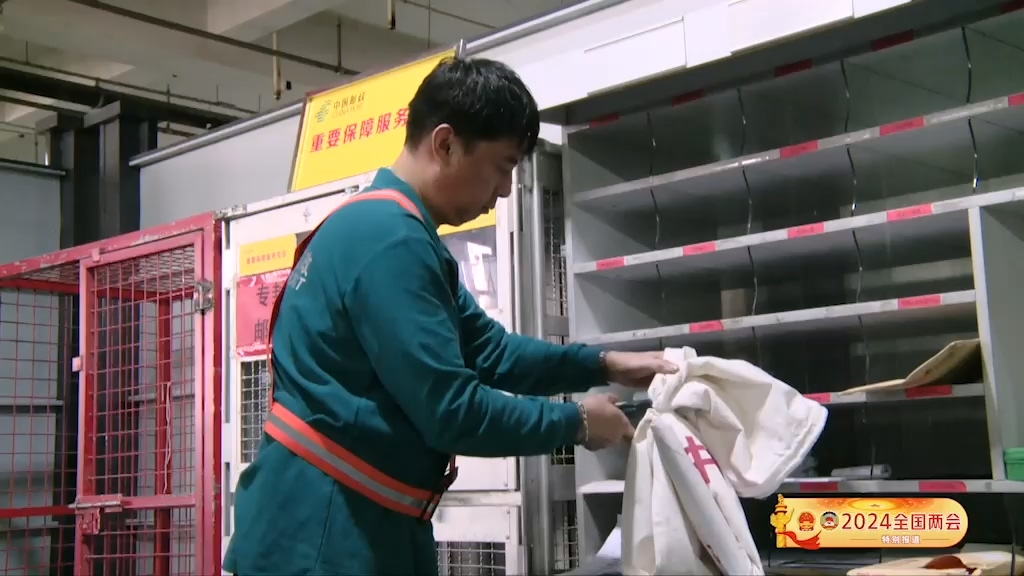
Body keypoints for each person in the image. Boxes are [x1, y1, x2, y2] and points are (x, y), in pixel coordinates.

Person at [223, 57, 677, 576]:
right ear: (445, 144)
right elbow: (452, 411)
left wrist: (605, 364)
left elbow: (492, 352)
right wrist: (576, 422)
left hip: (351, 522)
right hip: (326, 537)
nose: (504, 190)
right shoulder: (390, 240)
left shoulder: (391, 229)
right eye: (503, 166)